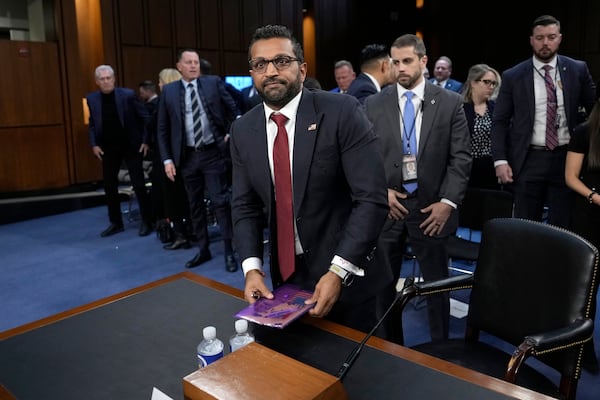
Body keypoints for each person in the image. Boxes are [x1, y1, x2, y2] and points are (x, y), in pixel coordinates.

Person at [229, 24, 391, 334]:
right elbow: (244, 205)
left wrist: (338, 271)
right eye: (260, 64)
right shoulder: (242, 130)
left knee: (362, 376)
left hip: (349, 274)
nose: (271, 71)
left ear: (302, 70)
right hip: (286, 278)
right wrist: (251, 268)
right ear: (252, 73)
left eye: (282, 61)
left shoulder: (342, 111)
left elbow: (370, 200)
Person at [364, 34, 472, 341]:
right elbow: (363, 157)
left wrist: (448, 202)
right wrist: (380, 193)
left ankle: (441, 350)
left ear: (423, 61)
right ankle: (390, 349)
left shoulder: (450, 102)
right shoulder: (373, 104)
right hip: (389, 208)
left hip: (431, 209)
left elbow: (461, 157)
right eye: (395, 62)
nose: (400, 68)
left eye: (407, 61)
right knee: (383, 286)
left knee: (437, 286)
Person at [491, 15, 596, 228]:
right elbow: (499, 121)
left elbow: (596, 111)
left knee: (562, 226)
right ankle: (527, 262)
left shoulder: (577, 69)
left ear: (560, 38)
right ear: (531, 40)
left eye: (551, 37)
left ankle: (557, 263)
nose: (545, 43)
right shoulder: (513, 76)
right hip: (528, 159)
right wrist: (500, 160)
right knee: (526, 225)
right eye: (540, 38)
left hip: (567, 159)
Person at [157, 49, 242, 272]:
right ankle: (203, 249)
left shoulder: (213, 83)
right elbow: (163, 129)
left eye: (196, 62)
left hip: (213, 153)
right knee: (194, 205)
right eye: (189, 62)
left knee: (220, 203)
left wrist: (231, 132)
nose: (194, 66)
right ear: (179, 66)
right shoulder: (169, 91)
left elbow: (234, 110)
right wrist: (167, 159)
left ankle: (229, 251)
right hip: (187, 158)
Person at [86, 65, 153, 238]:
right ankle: (116, 223)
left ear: (114, 79)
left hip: (131, 145)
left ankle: (147, 221)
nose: (106, 81)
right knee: (109, 186)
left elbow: (145, 118)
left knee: (138, 184)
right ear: (97, 82)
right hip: (108, 148)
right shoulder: (92, 99)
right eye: (102, 79)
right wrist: (94, 144)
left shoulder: (128, 95)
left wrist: (145, 141)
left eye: (109, 78)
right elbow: (92, 124)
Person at [565, 100, 600, 373]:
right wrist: (594, 196)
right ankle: (581, 350)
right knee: (587, 291)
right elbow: (571, 177)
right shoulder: (584, 131)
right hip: (589, 216)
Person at [154, 68, 194, 250]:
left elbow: (159, 129)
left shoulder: (165, 101)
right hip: (184, 157)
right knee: (186, 197)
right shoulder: (183, 101)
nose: (159, 85)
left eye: (160, 81)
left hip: (168, 158)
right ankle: (190, 232)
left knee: (173, 199)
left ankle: (180, 235)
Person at [461, 64, 502, 189]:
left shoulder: (497, 108)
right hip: (466, 169)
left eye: (493, 83)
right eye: (487, 82)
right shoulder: (459, 108)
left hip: (491, 168)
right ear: (473, 82)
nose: (491, 87)